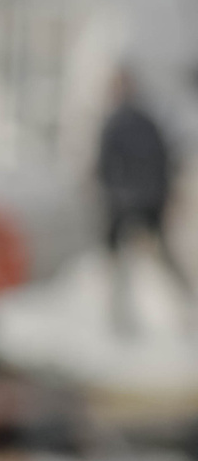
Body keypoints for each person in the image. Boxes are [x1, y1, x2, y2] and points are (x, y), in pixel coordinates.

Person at [96, 69, 192, 335]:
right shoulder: (149, 121)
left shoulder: (114, 122)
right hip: (150, 202)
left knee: (120, 264)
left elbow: (103, 166)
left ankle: (119, 323)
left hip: (123, 204)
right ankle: (187, 309)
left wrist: (111, 195)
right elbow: (166, 160)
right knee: (162, 259)